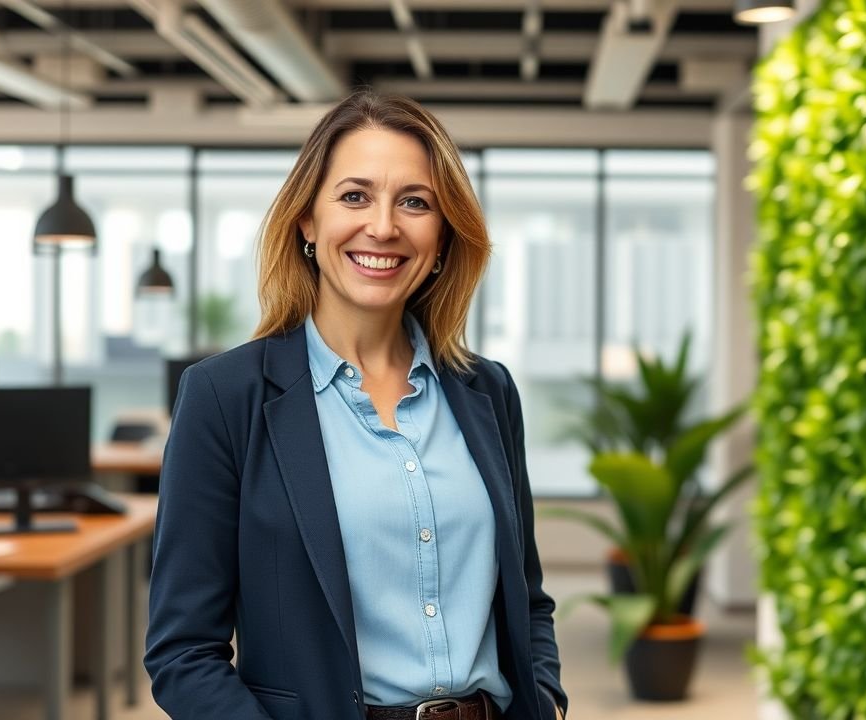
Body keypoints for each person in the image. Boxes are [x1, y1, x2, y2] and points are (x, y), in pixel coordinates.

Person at [144, 91, 567, 720]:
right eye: (354, 196)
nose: (384, 226)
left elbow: (526, 599)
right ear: (308, 222)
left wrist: (547, 700)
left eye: (415, 202)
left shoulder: (488, 392)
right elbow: (183, 652)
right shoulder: (225, 397)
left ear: (444, 234)